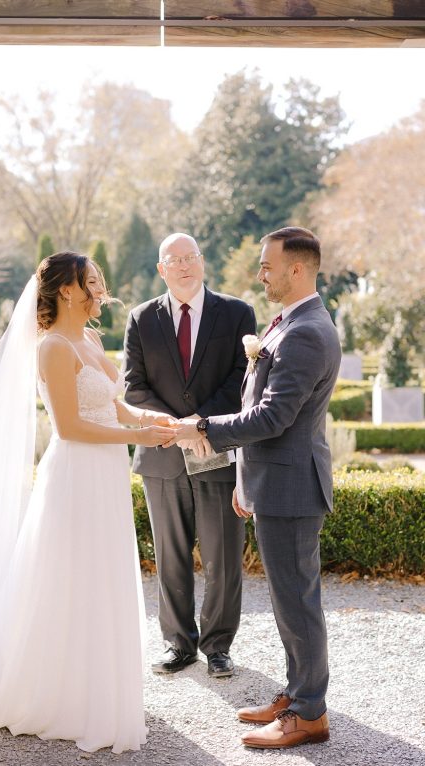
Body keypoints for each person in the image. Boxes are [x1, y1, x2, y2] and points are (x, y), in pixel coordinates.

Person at [0, 252, 177, 753]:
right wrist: (137, 432)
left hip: (105, 474)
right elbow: (70, 426)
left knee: (102, 574)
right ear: (66, 291)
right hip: (76, 474)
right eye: (91, 283)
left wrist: (153, 421)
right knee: (68, 576)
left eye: (99, 282)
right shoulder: (53, 347)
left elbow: (113, 404)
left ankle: (97, 684)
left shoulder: (92, 339)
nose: (100, 290)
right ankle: (53, 692)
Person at [175, 227, 340, 749]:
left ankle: (310, 713)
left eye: (268, 265)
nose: (261, 274)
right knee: (290, 600)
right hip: (275, 482)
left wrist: (203, 427)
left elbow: (271, 417)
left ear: (298, 269)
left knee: (297, 603)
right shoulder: (289, 323)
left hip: (292, 489)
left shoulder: (307, 331)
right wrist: (245, 480)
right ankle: (296, 694)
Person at [123, 233, 256, 679]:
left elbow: (243, 378)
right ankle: (178, 644)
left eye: (191, 257)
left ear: (203, 262)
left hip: (215, 446)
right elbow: (134, 386)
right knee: (170, 554)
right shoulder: (141, 318)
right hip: (163, 455)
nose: (183, 266)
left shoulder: (236, 313)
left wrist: (199, 422)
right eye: (173, 260)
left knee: (223, 555)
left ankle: (219, 646)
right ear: (161, 269)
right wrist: (177, 431)